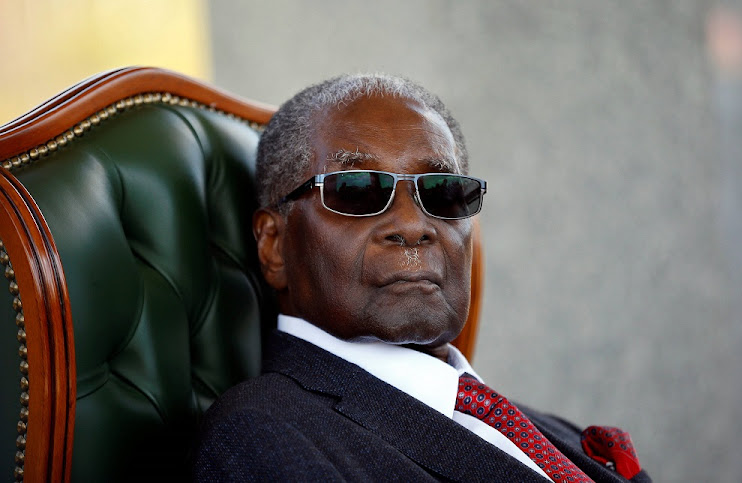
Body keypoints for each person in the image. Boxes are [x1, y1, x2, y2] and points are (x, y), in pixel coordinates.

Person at [192, 74, 650, 482]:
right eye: (358, 190)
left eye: (442, 192)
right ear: (273, 244)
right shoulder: (263, 437)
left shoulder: (551, 431)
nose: (414, 225)